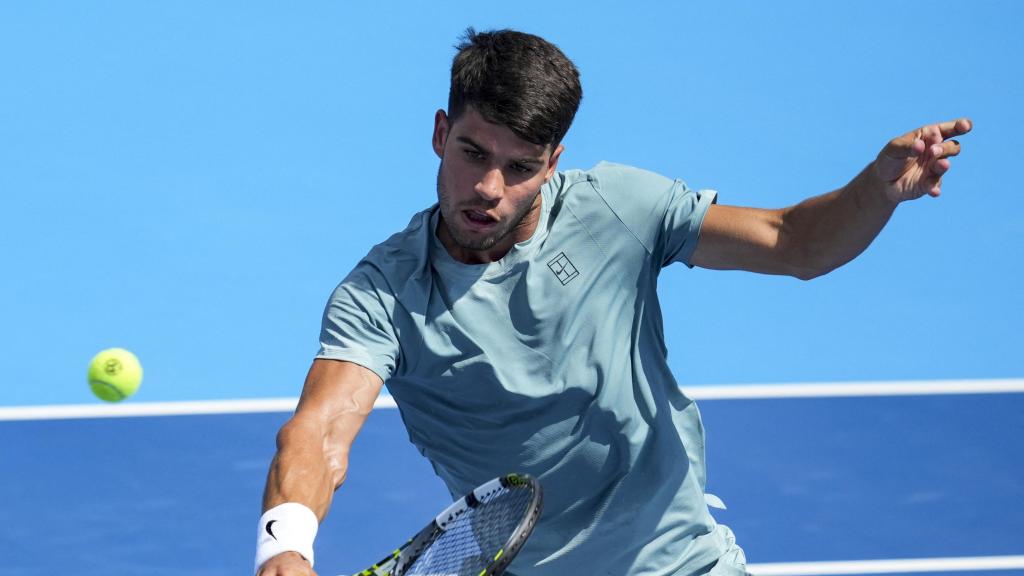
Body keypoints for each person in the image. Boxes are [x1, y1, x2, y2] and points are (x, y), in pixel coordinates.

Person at [254, 28, 971, 576]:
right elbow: (318, 434)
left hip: (683, 562)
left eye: (521, 167)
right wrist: (285, 552)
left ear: (554, 162)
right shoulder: (381, 293)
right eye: (473, 152)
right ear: (441, 133)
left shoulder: (620, 208)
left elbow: (794, 243)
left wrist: (874, 193)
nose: (489, 188)